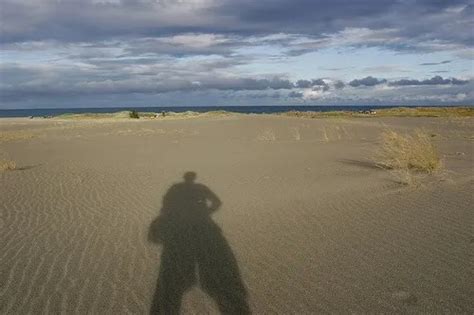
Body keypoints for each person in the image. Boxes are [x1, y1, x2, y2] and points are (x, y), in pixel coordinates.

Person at [149, 172, 250, 314]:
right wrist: (206, 212)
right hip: (203, 230)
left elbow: (166, 206)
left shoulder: (176, 188)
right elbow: (217, 202)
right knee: (225, 284)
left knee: (169, 286)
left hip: (181, 233)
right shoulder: (200, 188)